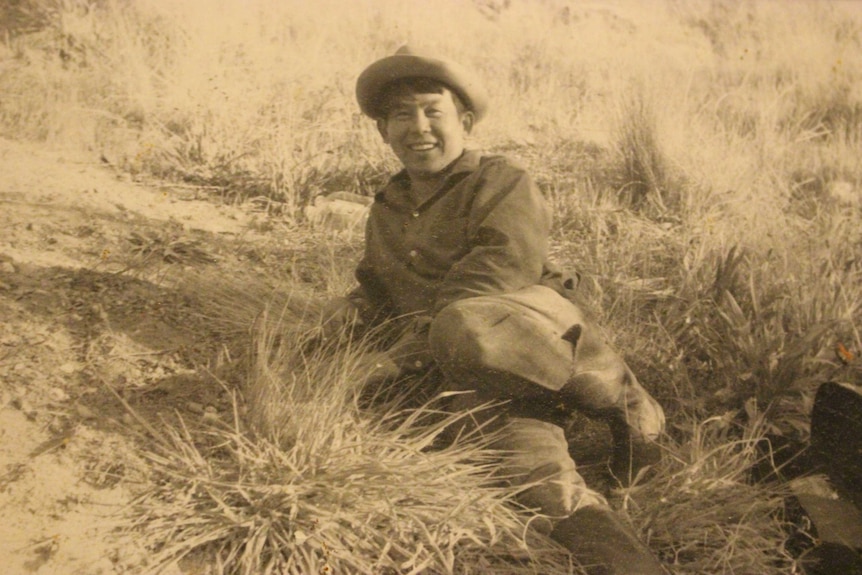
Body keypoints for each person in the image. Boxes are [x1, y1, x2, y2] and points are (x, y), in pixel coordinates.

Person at [322, 45, 666, 575]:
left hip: (524, 337)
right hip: (465, 374)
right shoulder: (386, 208)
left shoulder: (502, 182)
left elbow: (492, 278)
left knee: (467, 324)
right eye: (400, 115)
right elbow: (377, 290)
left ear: (463, 121)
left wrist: (396, 360)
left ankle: (624, 399)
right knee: (544, 487)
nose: (418, 127)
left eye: (432, 111)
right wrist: (339, 326)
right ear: (382, 132)